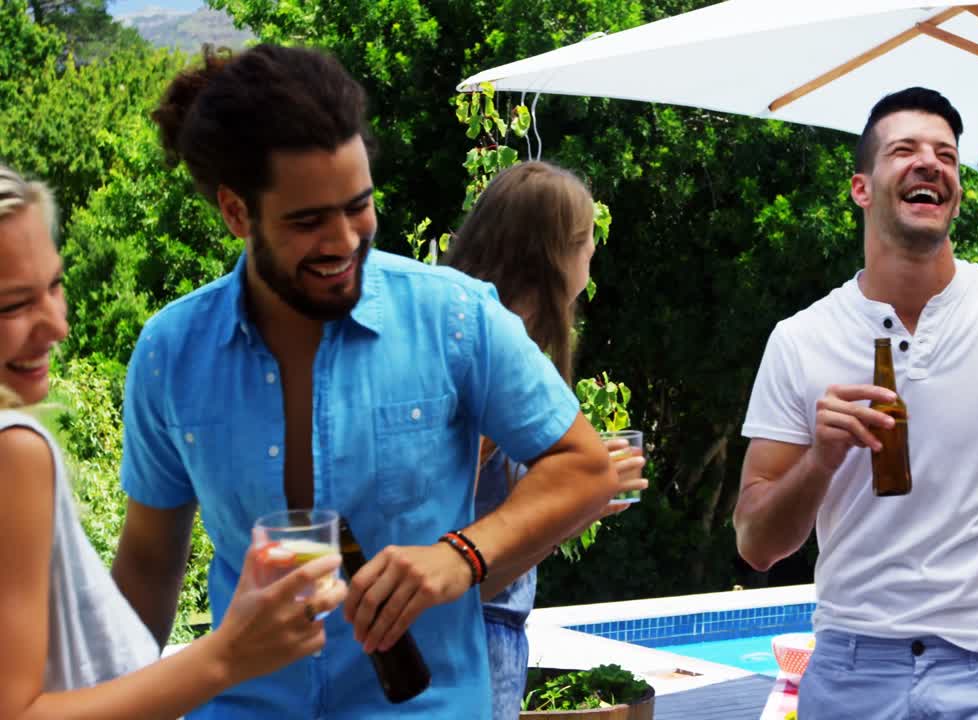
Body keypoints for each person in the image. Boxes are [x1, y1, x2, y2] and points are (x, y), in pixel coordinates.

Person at [107, 45, 618, 719]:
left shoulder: (454, 317)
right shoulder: (171, 353)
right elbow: (147, 561)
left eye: (359, 206)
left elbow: (584, 468)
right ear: (236, 213)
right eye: (309, 220)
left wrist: (461, 554)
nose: (346, 239)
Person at [732, 87, 978, 720]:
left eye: (947, 156)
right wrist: (820, 459)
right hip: (851, 670)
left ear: (955, 190)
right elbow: (756, 543)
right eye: (904, 151)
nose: (931, 163)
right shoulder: (800, 339)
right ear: (861, 189)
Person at [0, 163, 348, 720]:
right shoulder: (14, 451)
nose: (58, 326)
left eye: (55, 285)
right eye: (13, 305)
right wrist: (231, 653)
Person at [444, 160, 648, 719]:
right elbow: (457, 544)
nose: (592, 256)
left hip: (476, 631)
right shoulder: (498, 359)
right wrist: (567, 501)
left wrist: (571, 502)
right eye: (587, 241)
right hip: (469, 643)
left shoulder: (471, 345)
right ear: (556, 253)